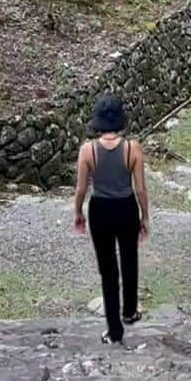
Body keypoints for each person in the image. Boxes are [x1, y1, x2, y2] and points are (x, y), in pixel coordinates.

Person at [73, 92, 149, 346]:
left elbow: (81, 189)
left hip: (100, 210)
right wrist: (144, 216)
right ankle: (129, 311)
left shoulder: (87, 151)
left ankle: (114, 330)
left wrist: (78, 212)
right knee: (129, 259)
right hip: (126, 207)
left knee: (107, 270)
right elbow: (140, 188)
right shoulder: (132, 148)